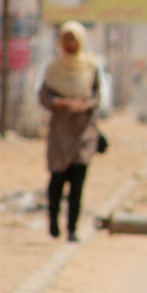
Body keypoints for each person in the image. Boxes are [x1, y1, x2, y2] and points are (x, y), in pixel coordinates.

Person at [39, 21, 101, 242]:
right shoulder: (53, 69)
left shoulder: (90, 67)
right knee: (56, 182)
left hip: (83, 134)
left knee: (77, 185)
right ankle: (53, 221)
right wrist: (62, 103)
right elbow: (43, 98)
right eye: (66, 38)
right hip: (59, 134)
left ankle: (72, 228)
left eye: (73, 38)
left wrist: (86, 105)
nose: (70, 43)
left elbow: (97, 97)